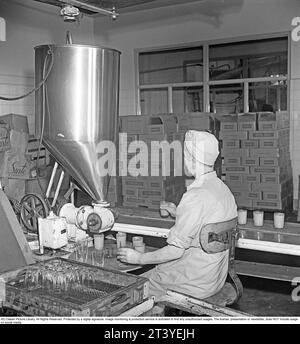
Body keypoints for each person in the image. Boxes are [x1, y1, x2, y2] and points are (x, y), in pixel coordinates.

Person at [117, 130, 237, 301]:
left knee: (135, 287)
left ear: (191, 157)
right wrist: (179, 212)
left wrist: (138, 258)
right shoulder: (223, 190)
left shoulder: (195, 196)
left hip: (194, 282)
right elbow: (206, 223)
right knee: (157, 269)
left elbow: (175, 251)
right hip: (215, 278)